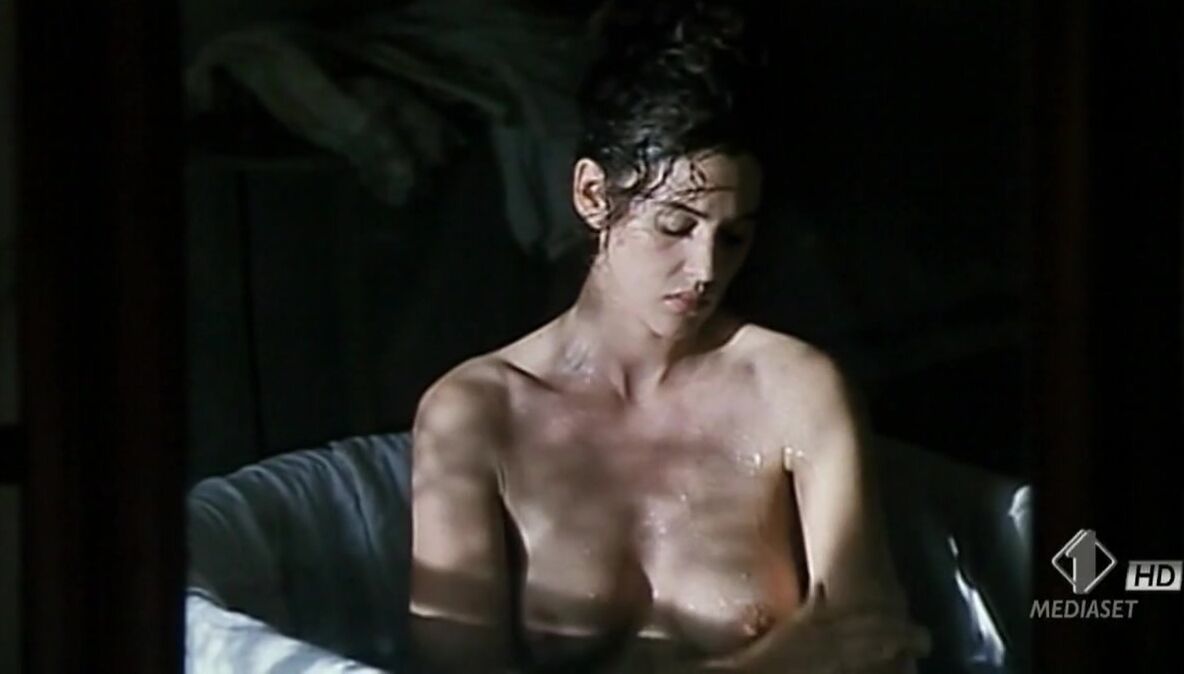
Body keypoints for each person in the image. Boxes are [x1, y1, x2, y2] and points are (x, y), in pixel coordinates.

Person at [408, 1, 931, 672]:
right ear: (593, 195)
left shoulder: (793, 390)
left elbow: (874, 650)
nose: (706, 269)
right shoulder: (478, 412)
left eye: (733, 236)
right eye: (676, 226)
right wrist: (771, 664)